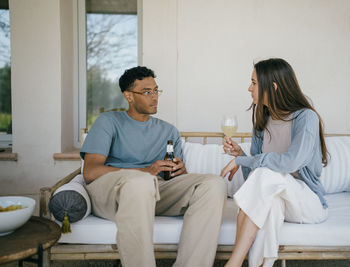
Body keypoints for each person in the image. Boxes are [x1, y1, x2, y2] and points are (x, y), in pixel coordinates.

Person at [81, 66, 227, 267]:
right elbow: (90, 172)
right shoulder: (108, 122)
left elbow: (169, 178)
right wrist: (144, 171)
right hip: (115, 192)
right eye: (147, 92)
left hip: (154, 190)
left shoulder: (168, 131)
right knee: (141, 182)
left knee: (214, 184)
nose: (155, 97)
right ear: (129, 96)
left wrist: (180, 173)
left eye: (156, 91)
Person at [220, 58, 329, 267]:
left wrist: (243, 160)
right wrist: (242, 155)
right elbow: (254, 181)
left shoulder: (306, 118)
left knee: (268, 175)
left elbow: (289, 163)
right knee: (270, 203)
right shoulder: (262, 120)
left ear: (273, 86)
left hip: (308, 203)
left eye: (254, 82)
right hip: (277, 196)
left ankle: (233, 263)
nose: (249, 88)